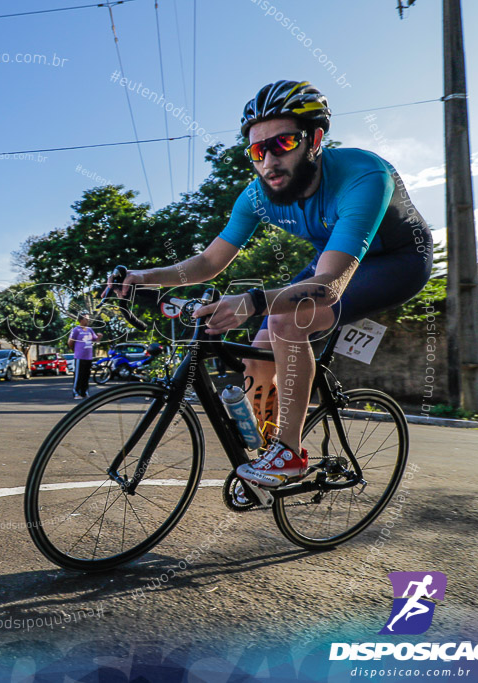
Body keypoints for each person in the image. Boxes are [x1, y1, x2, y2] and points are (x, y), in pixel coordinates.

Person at [118, 79, 433, 488]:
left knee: (288, 322)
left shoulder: (365, 175)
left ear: (315, 139)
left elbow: (328, 288)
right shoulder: (256, 195)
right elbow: (210, 262)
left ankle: (288, 453)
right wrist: (146, 278)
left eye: (282, 144)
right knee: (257, 353)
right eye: (256, 150)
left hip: (396, 262)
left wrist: (249, 301)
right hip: (331, 260)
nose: (268, 161)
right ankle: (268, 453)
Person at [68, 313, 102, 399]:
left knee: (86, 375)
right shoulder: (76, 330)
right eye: (86, 319)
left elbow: (96, 341)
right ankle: (76, 393)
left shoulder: (90, 330)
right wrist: (75, 350)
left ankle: (84, 392)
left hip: (88, 357)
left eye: (88, 319)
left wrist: (99, 337)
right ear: (81, 320)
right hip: (80, 357)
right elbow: (70, 342)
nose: (88, 320)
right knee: (79, 375)